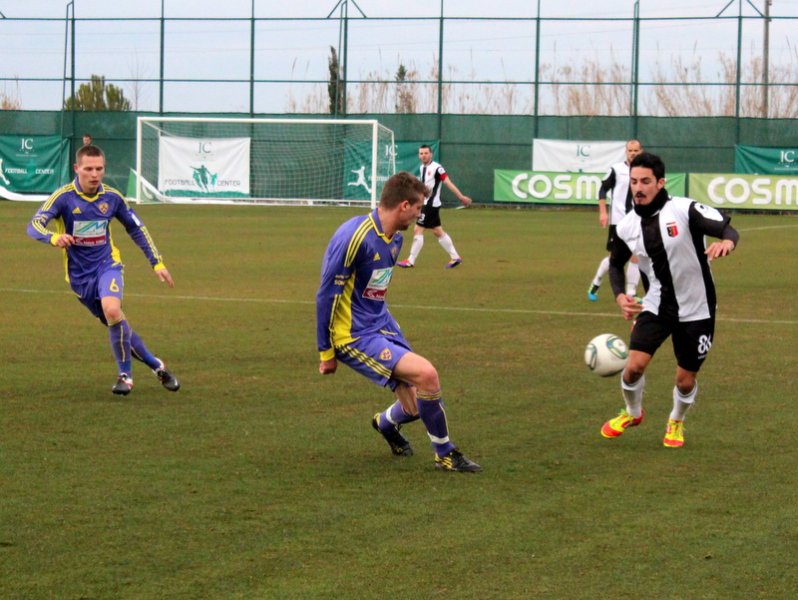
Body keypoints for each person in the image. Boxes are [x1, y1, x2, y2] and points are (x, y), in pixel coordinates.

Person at [316, 171, 481, 472]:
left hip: (382, 323)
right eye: (419, 208)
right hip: (354, 334)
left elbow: (374, 289)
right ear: (404, 205)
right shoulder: (354, 237)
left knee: (416, 406)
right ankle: (445, 454)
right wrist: (326, 351)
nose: (421, 215)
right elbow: (326, 296)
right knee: (427, 375)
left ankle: (384, 423)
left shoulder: (396, 239)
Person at [600, 152, 739, 448]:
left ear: (660, 183)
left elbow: (726, 228)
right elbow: (615, 264)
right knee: (632, 367)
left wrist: (727, 241)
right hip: (657, 305)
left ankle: (676, 420)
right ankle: (633, 413)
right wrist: (620, 296)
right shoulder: (627, 226)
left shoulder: (684, 210)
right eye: (634, 181)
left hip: (698, 309)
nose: (638, 187)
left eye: (646, 181)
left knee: (684, 380)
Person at [27, 144, 180, 396]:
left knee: (112, 309)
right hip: (79, 277)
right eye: (88, 169)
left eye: (99, 169)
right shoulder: (63, 197)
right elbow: (34, 225)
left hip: (108, 264)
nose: (94, 174)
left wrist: (157, 262)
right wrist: (53, 238)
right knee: (118, 325)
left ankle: (125, 376)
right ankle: (157, 366)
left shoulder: (112, 197)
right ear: (77, 169)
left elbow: (137, 228)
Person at [396, 144, 471, 269]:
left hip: (430, 204)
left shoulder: (437, 168)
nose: (423, 155)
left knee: (418, 230)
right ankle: (455, 257)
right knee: (438, 231)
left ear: (431, 154)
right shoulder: (421, 168)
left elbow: (448, 183)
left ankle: (410, 260)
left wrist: (461, 197)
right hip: (428, 203)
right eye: (421, 153)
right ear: (419, 155)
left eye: (426, 153)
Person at [587, 139, 644, 301]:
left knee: (636, 254)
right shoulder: (616, 169)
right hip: (618, 221)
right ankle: (596, 281)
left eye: (636, 150)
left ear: (641, 151)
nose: (633, 153)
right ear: (626, 152)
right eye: (630, 150)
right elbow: (603, 189)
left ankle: (631, 293)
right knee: (615, 258)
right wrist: (603, 212)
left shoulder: (644, 171)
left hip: (637, 221)